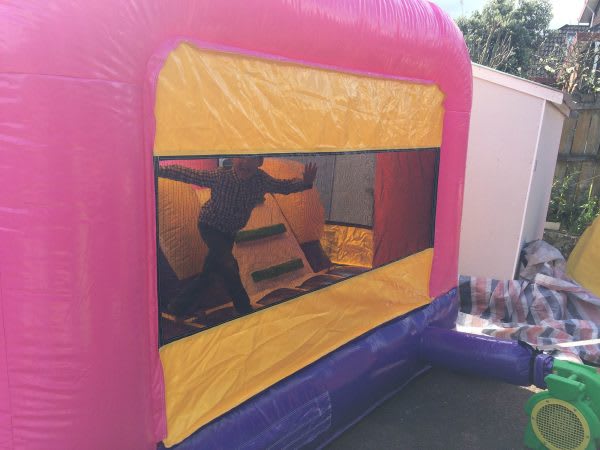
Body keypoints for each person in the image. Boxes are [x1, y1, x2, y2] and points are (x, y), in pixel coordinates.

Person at [158, 157, 317, 316]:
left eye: (251, 159)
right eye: (241, 157)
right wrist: (159, 170)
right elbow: (189, 174)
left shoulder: (261, 180)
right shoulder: (221, 176)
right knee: (229, 265)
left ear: (259, 162)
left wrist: (305, 183)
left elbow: (283, 186)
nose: (245, 163)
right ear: (233, 159)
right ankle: (244, 309)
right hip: (210, 226)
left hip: (229, 233)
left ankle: (177, 306)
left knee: (209, 274)